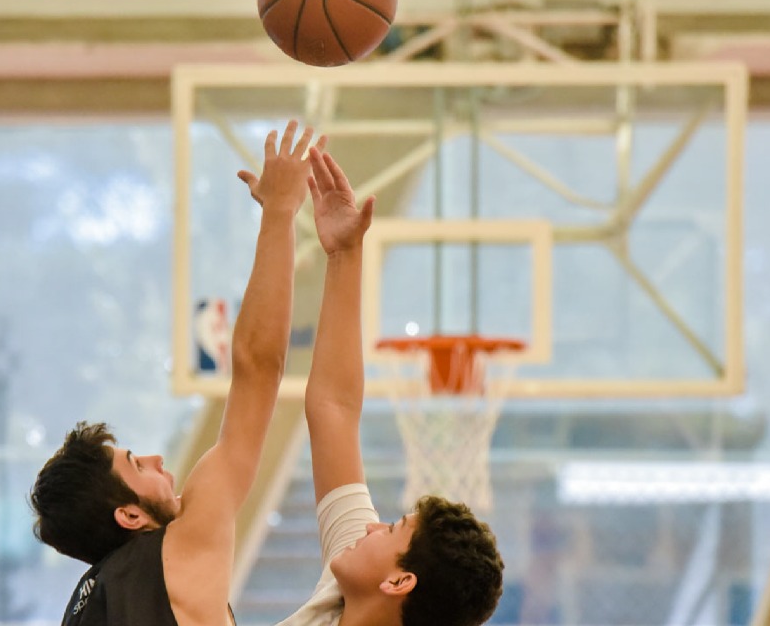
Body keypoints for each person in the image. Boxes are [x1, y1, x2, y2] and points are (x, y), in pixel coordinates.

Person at [29, 121, 320, 626]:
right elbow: (257, 370)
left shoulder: (82, 607)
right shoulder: (178, 549)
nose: (157, 457)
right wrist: (279, 213)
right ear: (131, 516)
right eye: (137, 465)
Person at [278, 149, 505, 626]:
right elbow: (333, 409)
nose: (372, 526)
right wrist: (344, 254)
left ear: (398, 581)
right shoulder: (341, 594)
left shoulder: (354, 581)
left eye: (392, 529)